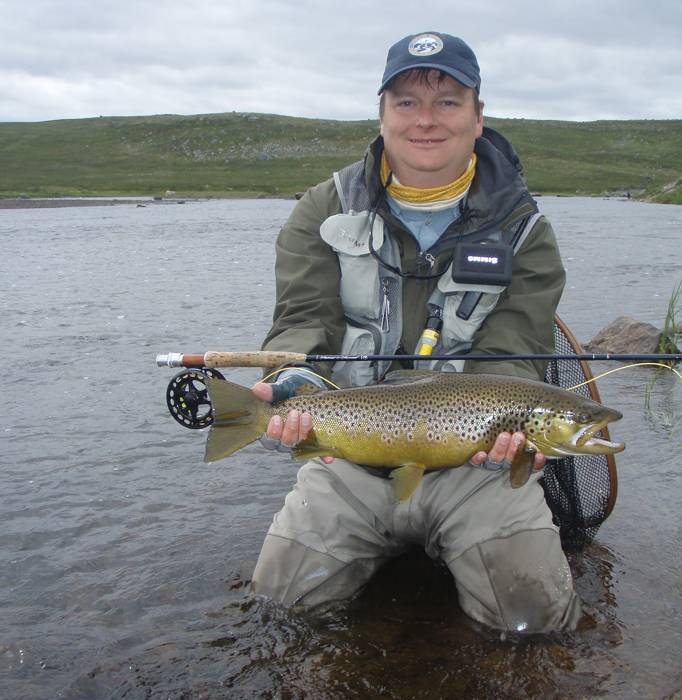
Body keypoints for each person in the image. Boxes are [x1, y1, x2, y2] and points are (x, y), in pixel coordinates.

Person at [247, 31, 581, 633]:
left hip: (475, 472)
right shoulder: (323, 209)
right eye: (406, 102)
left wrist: (508, 433)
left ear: (479, 118)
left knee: (534, 620)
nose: (426, 120)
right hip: (350, 462)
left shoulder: (526, 232)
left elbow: (513, 353)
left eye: (448, 102)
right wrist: (288, 383)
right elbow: (300, 321)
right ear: (381, 115)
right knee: (281, 610)